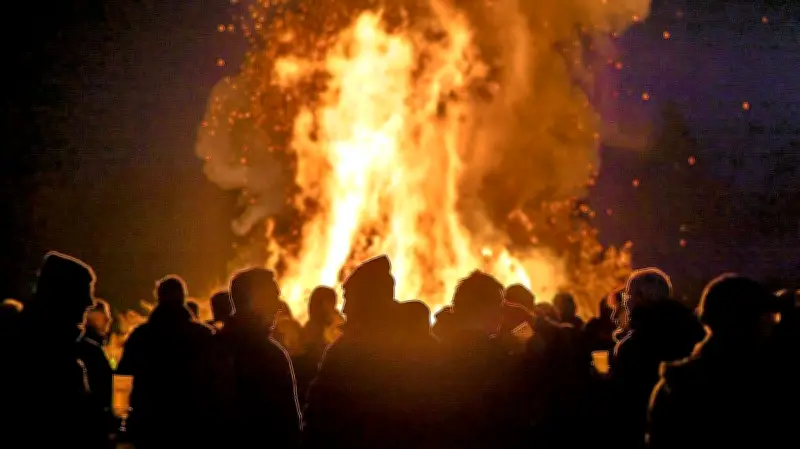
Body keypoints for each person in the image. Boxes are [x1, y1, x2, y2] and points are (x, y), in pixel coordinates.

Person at [305, 255, 433, 449]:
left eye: (349, 298)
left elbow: (320, 410)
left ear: (369, 300)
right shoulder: (421, 343)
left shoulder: (349, 351)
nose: (345, 309)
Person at [648, 274, 782, 448]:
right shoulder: (764, 384)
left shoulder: (675, 385)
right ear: (746, 324)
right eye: (768, 319)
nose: (771, 326)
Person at [3, 252, 104, 447]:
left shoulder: (32, 340)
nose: (90, 302)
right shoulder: (47, 354)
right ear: (64, 294)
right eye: (84, 291)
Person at [117, 275, 218, 448]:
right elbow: (216, 379)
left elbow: (123, 376)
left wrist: (119, 414)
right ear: (183, 297)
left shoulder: (141, 335)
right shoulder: (203, 335)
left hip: (150, 423)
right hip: (193, 423)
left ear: (159, 297)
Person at [610, 268, 705, 449]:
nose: (626, 304)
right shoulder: (695, 332)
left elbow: (624, 406)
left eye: (628, 298)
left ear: (639, 299)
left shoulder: (634, 346)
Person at [216, 268, 301, 449]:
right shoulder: (270, 356)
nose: (279, 306)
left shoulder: (210, 348)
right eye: (273, 297)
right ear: (253, 302)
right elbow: (287, 425)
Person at [78, 299, 115, 447]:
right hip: (92, 422)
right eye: (104, 315)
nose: (108, 320)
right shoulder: (91, 349)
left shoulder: (93, 347)